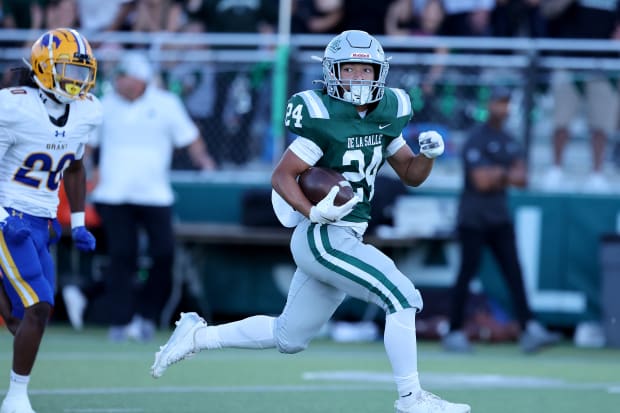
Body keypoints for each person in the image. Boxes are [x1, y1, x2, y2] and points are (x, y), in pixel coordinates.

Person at [150, 30, 471, 413]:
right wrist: (312, 211)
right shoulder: (324, 117)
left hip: (347, 233)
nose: (356, 78)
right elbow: (282, 175)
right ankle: (411, 399)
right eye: (348, 70)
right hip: (324, 234)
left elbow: (411, 174)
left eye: (364, 70)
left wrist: (429, 155)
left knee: (289, 336)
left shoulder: (387, 113)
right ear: (333, 73)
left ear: (378, 74)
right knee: (401, 296)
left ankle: (196, 336)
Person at [79, 50, 215, 342]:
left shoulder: (166, 104)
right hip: (113, 194)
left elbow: (190, 138)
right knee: (121, 255)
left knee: (164, 254)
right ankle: (121, 320)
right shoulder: (104, 104)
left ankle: (147, 317)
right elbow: (89, 146)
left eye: (125, 77)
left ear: (140, 80)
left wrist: (206, 163)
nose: (119, 82)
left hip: (156, 194)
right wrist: (86, 173)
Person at [0, 28, 101, 413]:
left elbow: (74, 167)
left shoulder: (87, 112)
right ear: (43, 68)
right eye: (67, 71)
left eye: (80, 73)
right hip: (9, 217)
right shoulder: (14, 106)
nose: (76, 82)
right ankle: (16, 397)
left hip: (41, 222)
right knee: (39, 305)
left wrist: (77, 222)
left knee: (24, 316)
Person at [442, 86, 562, 354]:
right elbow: (481, 181)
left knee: (514, 274)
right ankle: (454, 331)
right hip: (473, 218)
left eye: (506, 103)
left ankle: (529, 328)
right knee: (466, 274)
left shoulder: (509, 139)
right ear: (489, 105)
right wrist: (504, 173)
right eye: (499, 103)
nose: (503, 108)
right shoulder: (476, 138)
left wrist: (498, 172)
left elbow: (522, 179)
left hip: (499, 217)